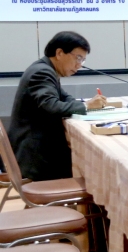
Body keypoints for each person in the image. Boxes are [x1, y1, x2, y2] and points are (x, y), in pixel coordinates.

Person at [8, 32, 106, 181]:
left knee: (89, 164)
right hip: (36, 158)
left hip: (36, 150)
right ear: (59, 53)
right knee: (92, 171)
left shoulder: (45, 68)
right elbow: (52, 106)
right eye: (78, 58)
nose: (79, 65)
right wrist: (86, 106)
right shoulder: (42, 72)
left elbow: (64, 97)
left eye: (83, 60)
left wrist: (84, 105)